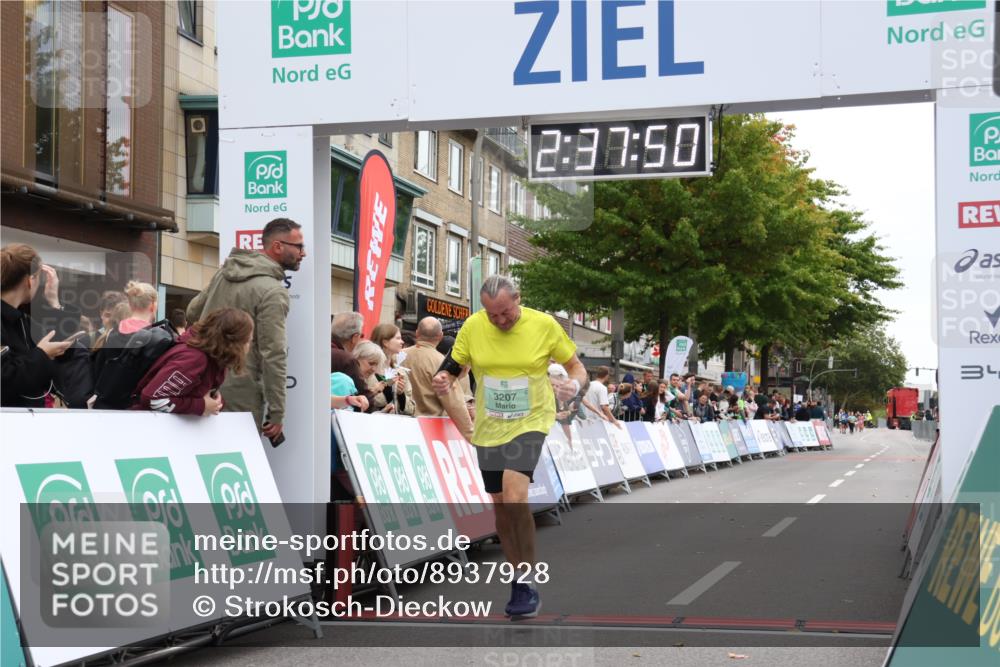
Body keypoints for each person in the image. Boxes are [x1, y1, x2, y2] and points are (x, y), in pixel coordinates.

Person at [432, 275, 586, 620]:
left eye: (505, 313)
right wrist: (445, 377)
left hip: (531, 419)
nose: (500, 321)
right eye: (492, 315)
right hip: (490, 425)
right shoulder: (473, 326)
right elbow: (455, 364)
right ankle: (518, 575)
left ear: (518, 299)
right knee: (500, 505)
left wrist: (573, 384)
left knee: (515, 497)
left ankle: (527, 578)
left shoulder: (544, 325)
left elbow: (576, 366)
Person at [186, 218, 305, 441]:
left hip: (198, 382)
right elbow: (273, 354)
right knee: (237, 467)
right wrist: (277, 413)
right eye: (299, 247)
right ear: (278, 247)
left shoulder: (224, 273)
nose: (303, 253)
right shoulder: (272, 291)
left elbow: (192, 312)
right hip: (240, 395)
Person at [132, 308, 253, 416]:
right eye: (247, 341)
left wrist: (214, 402)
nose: (249, 346)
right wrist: (201, 406)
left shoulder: (213, 357)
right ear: (234, 343)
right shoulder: (194, 359)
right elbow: (153, 399)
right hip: (146, 426)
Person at [1, 244, 79, 407]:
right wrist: (42, 354)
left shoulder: (22, 320)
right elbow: (5, 378)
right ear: (30, 281)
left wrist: (54, 302)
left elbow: (63, 353)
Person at [401, 316, 474, 441]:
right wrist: (471, 435)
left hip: (400, 426)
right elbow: (454, 402)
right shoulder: (443, 365)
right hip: (432, 430)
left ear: (417, 333)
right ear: (440, 336)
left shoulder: (398, 356)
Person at [370, 322, 415, 416]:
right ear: (385, 342)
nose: (402, 342)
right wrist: (387, 387)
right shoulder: (368, 371)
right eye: (398, 338)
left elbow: (412, 409)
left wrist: (401, 394)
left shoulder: (400, 372)